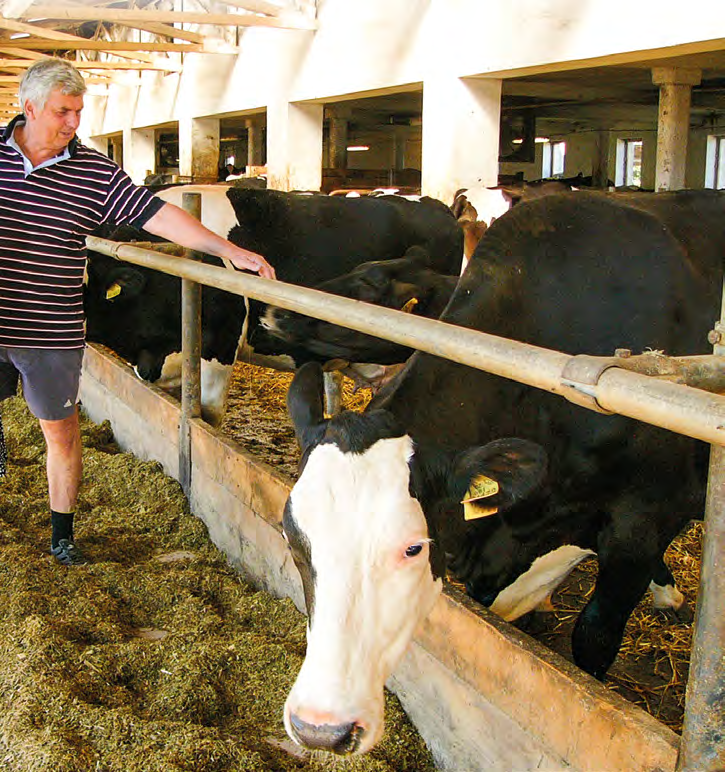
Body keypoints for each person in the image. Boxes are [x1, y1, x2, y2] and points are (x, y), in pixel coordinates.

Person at [0, 58, 276, 567]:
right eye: (63, 111)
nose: (73, 123)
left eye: (79, 111)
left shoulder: (92, 172)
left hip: (51, 329)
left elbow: (157, 214)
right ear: (29, 107)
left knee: (60, 433)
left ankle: (61, 537)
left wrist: (226, 250)